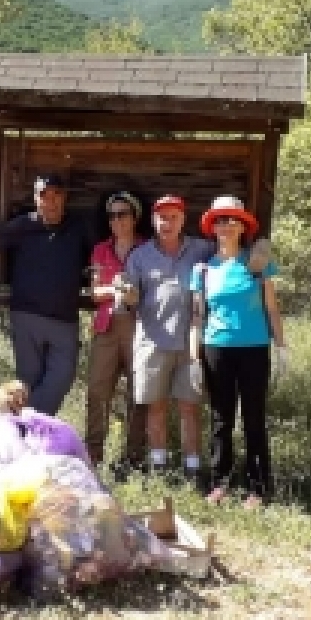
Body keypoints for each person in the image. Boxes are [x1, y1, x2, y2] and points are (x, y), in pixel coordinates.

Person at [190, 195, 287, 508]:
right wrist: (194, 356)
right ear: (212, 227)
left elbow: (272, 309)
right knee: (221, 419)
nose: (225, 225)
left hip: (254, 349)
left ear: (243, 226)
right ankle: (220, 483)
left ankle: (258, 487)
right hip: (216, 348)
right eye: (219, 220)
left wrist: (282, 346)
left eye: (232, 219)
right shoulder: (203, 269)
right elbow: (196, 316)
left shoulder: (257, 264)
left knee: (254, 417)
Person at [0, 174, 93, 416]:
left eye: (56, 195)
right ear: (35, 198)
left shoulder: (79, 227)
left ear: (65, 198)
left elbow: (101, 256)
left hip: (65, 320)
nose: (50, 202)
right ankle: (31, 435)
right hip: (26, 316)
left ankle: (25, 420)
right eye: (44, 195)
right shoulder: (24, 225)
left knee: (63, 376)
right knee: (27, 381)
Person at [122, 194, 214, 488]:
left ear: (183, 220)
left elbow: (231, 261)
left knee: (190, 407)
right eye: (162, 217)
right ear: (153, 220)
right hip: (151, 341)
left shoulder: (203, 250)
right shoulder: (138, 256)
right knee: (155, 406)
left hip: (191, 342)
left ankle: (193, 471)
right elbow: (127, 300)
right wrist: (126, 295)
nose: (168, 222)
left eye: (174, 216)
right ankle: (159, 469)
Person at [84, 191, 147, 469]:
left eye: (123, 214)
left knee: (139, 391)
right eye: (112, 216)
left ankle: (133, 457)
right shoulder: (100, 249)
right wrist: (115, 289)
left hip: (140, 326)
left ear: (135, 217)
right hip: (106, 325)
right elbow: (96, 292)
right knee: (98, 390)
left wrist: (135, 292)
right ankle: (93, 454)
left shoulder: (147, 248)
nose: (117, 220)